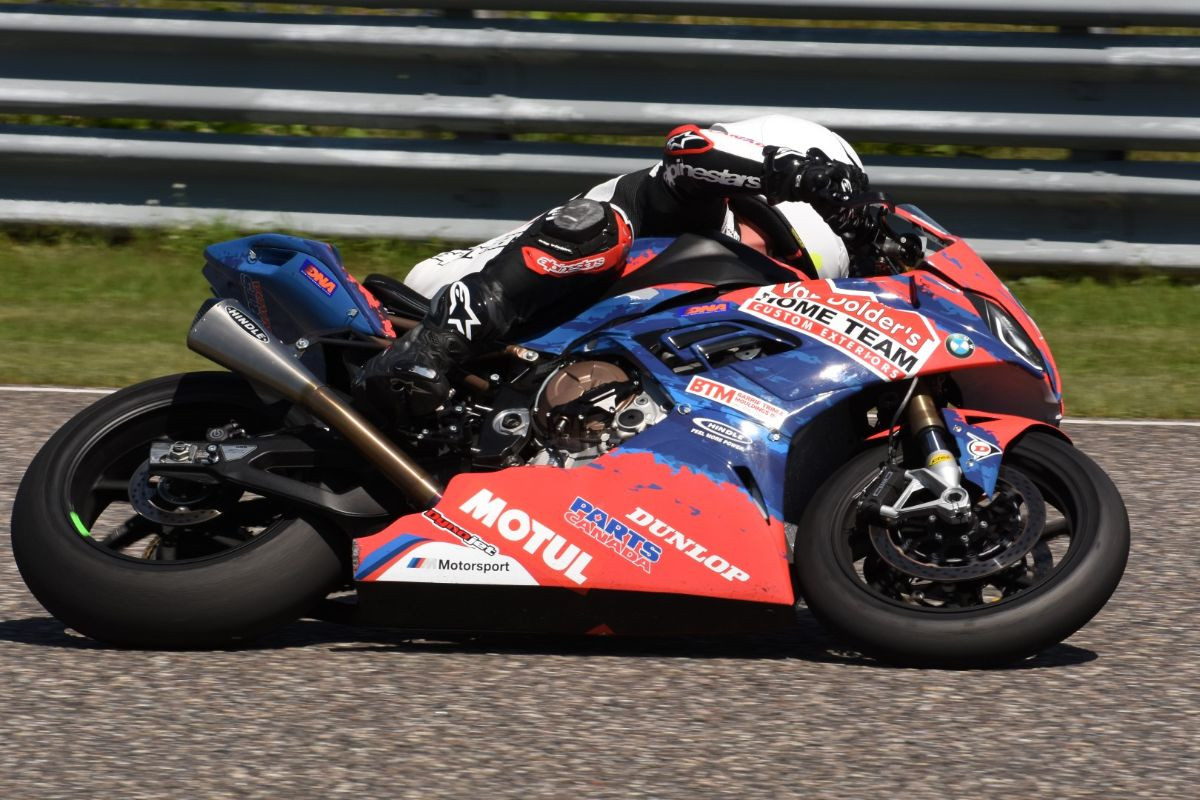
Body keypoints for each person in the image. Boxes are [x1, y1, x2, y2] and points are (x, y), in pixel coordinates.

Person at [357, 115, 879, 421]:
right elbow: (689, 148)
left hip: (542, 374)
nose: (770, 269)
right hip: (437, 304)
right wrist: (798, 173)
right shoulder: (688, 202)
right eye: (777, 252)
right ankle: (429, 349)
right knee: (598, 230)